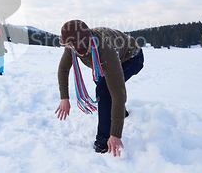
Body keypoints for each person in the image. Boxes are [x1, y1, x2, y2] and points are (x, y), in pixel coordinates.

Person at [55, 20, 144, 157]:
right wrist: (64, 97)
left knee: (105, 90)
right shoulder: (73, 45)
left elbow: (119, 93)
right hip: (107, 59)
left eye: (70, 45)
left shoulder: (105, 49)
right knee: (104, 87)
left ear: (80, 43)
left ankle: (103, 142)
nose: (67, 47)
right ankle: (120, 112)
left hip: (132, 58)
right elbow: (63, 69)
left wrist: (115, 134)